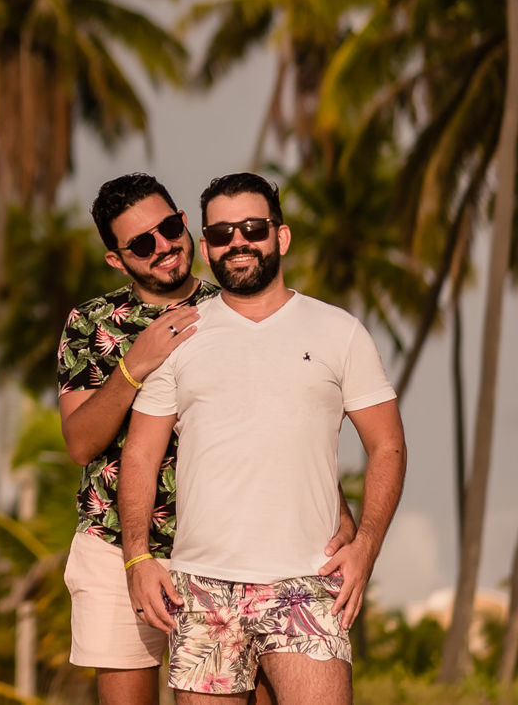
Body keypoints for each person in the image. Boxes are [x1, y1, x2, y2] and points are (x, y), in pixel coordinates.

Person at [57, 173, 352, 705]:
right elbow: (80, 443)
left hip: (234, 552)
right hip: (118, 545)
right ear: (116, 259)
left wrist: (338, 510)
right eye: (141, 243)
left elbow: (285, 423)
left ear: (185, 223)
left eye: (169, 228)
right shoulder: (92, 322)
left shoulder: (236, 300)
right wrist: (134, 365)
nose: (163, 246)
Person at [121, 172, 406, 705]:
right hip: (201, 587)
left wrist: (366, 548)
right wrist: (136, 557)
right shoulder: (177, 336)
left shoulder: (339, 331)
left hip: (308, 580)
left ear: (281, 236)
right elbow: (140, 453)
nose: (238, 242)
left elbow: (387, 445)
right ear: (205, 246)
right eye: (222, 233)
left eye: (253, 228)